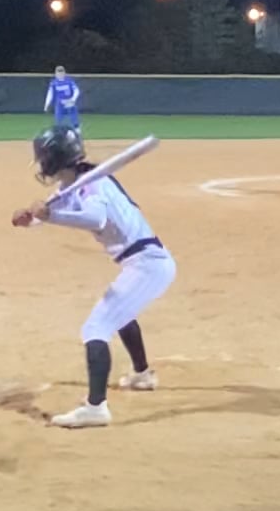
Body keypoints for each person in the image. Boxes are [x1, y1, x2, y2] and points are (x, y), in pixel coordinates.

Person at [12, 126, 174, 429]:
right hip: (143, 262)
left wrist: (50, 216)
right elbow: (52, 209)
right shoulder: (75, 183)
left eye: (44, 158)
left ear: (54, 158)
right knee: (120, 313)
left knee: (96, 327)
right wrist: (29, 219)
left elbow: (95, 219)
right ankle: (142, 375)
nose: (42, 164)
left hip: (148, 264)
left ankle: (95, 408)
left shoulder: (92, 185)